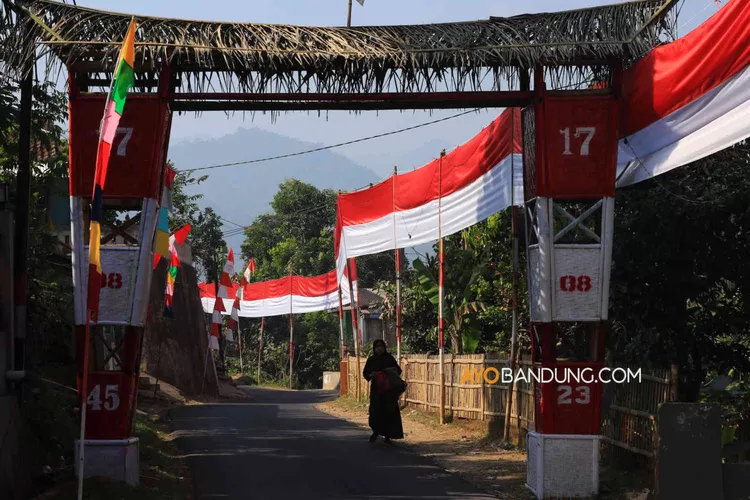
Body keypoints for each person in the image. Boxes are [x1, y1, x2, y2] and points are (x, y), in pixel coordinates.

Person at [362, 339, 404, 443]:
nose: (379, 349)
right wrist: (372, 375)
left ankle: (388, 435)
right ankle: (376, 431)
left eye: (381, 346)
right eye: (377, 347)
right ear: (374, 348)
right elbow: (365, 373)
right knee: (375, 412)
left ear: (384, 348)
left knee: (389, 412)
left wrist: (389, 372)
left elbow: (398, 370)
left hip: (389, 392)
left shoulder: (389, 359)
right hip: (376, 391)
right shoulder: (371, 360)